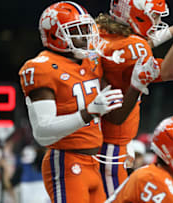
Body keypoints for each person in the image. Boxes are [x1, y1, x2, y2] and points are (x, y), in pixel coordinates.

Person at [18, 1, 156, 202]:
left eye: (86, 29)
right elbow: (42, 133)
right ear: (55, 35)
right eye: (76, 31)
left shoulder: (91, 61)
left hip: (93, 161)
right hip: (66, 160)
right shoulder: (42, 68)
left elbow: (116, 117)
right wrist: (88, 112)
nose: (85, 36)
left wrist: (135, 86)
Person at [94, 0, 173, 197]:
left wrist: (172, 31)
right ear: (136, 15)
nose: (158, 22)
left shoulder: (100, 32)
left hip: (102, 140)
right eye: (155, 17)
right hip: (112, 146)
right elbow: (171, 71)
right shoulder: (134, 47)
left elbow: (125, 49)